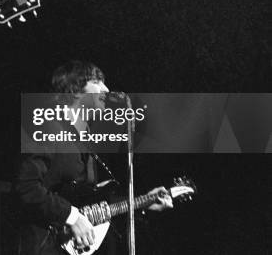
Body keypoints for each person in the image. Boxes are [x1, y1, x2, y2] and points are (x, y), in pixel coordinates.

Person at [15, 60, 172, 255]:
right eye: (97, 81)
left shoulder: (84, 139)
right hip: (43, 246)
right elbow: (26, 186)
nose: (106, 88)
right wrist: (72, 217)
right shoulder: (46, 124)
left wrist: (141, 202)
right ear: (75, 88)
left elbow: (90, 200)